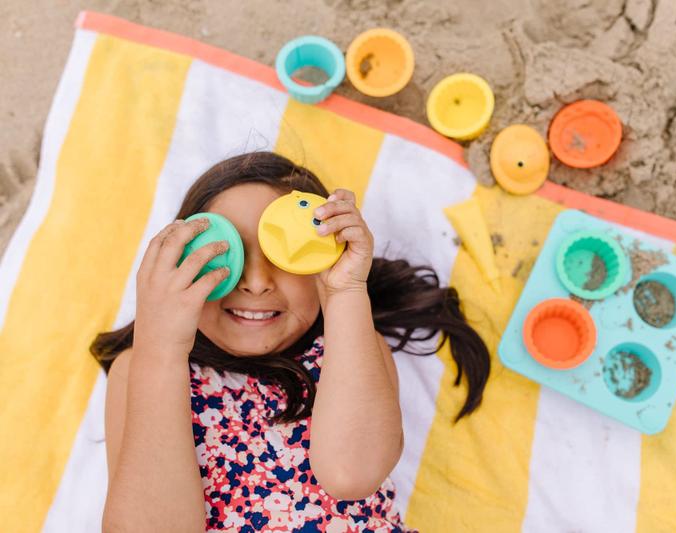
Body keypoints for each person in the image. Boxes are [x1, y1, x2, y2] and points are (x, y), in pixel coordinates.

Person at [91, 151, 490, 532]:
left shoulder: (347, 349)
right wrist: (161, 347)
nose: (256, 282)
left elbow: (353, 473)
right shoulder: (147, 365)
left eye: (283, 254)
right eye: (226, 256)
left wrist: (346, 292)